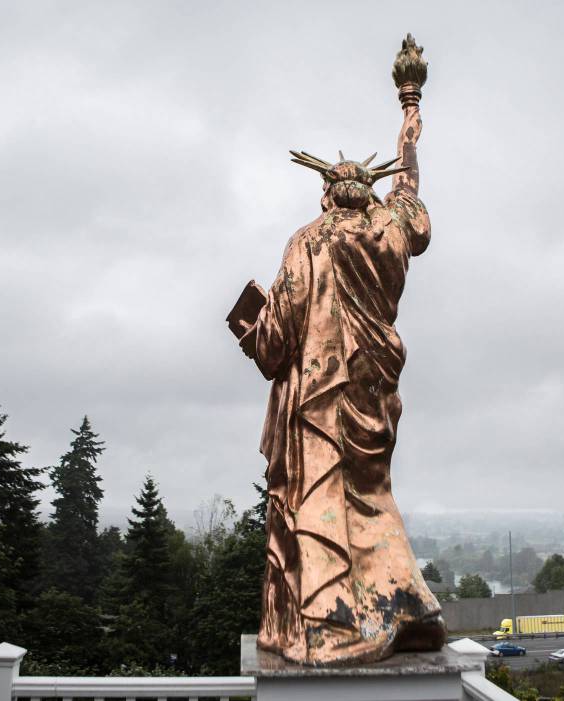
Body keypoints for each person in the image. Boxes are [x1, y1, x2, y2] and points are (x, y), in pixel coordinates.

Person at [233, 68, 446, 665]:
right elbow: (410, 195)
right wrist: (409, 114)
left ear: (327, 193)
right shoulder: (391, 232)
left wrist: (251, 330)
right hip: (375, 391)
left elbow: (276, 342)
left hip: (321, 397)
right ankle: (408, 607)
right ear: (369, 192)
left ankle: (332, 625)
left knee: (321, 500)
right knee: (371, 497)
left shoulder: (310, 240)